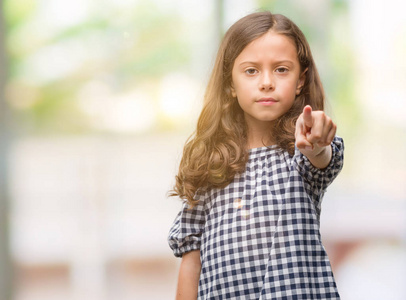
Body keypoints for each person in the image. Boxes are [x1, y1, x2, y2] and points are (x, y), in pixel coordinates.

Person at [168, 11, 344, 299]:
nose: (266, 82)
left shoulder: (300, 155)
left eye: (281, 69)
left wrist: (316, 145)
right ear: (230, 84)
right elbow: (191, 259)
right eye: (251, 70)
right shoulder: (211, 163)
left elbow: (323, 159)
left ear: (301, 80)